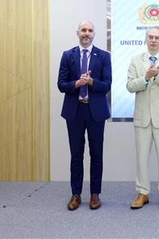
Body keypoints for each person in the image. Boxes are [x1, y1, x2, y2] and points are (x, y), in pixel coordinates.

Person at [57, 20, 112, 211]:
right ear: (77, 33)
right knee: (76, 155)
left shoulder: (104, 56)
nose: (86, 33)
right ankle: (76, 194)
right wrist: (77, 84)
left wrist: (90, 82)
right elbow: (61, 84)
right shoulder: (67, 55)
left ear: (94, 34)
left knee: (96, 154)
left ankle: (95, 194)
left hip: (95, 111)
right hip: (75, 111)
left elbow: (107, 85)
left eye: (90, 30)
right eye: (83, 30)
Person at [126, 26, 159, 210]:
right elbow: (130, 86)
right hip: (142, 118)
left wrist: (158, 75)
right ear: (146, 39)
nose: (154, 40)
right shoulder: (135, 60)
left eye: (157, 37)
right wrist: (146, 77)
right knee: (141, 158)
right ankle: (143, 193)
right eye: (151, 37)